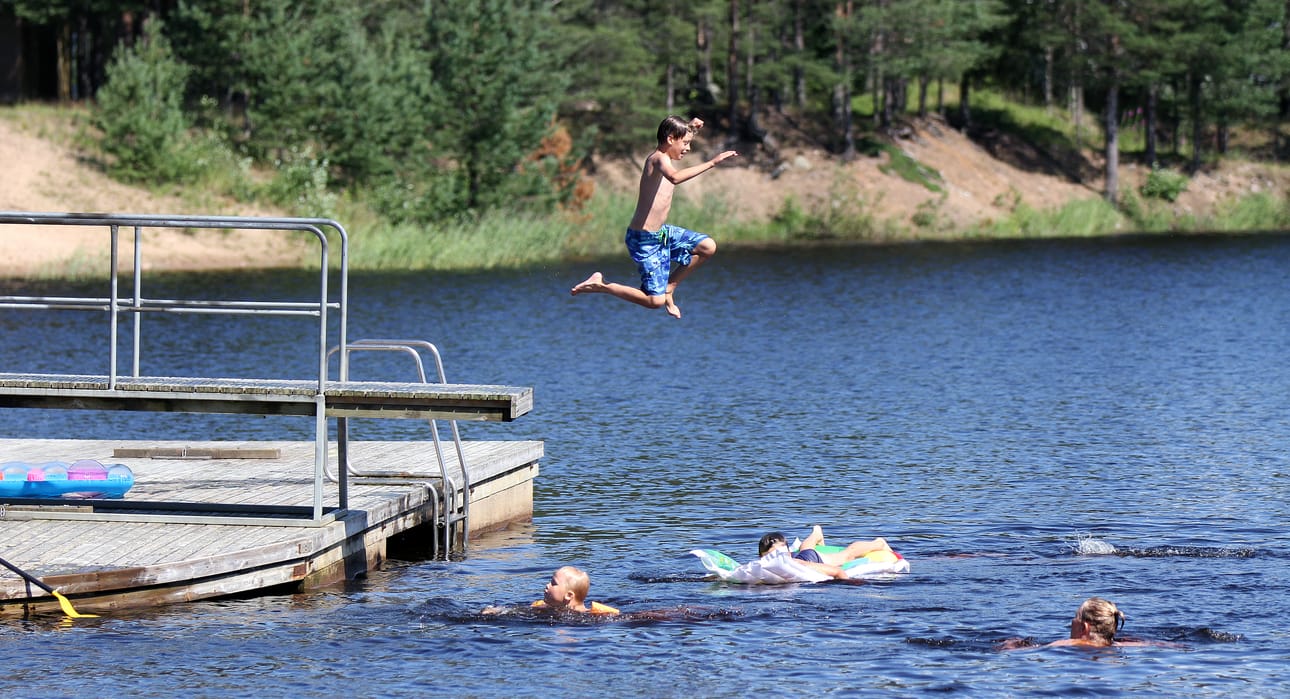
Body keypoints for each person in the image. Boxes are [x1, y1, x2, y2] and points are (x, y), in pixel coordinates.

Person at [571, 115, 738, 319]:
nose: (688, 148)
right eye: (685, 143)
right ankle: (603, 285)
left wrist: (690, 128)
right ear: (670, 139)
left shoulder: (667, 152)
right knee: (654, 302)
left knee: (707, 246)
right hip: (643, 240)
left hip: (662, 234)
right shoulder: (658, 159)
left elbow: (678, 136)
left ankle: (670, 286)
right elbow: (675, 178)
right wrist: (712, 162)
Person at [1000, 597, 1157, 649]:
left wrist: (1011, 644)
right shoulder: (1124, 645)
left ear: (1084, 627)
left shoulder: (1068, 644)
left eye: (1075, 617)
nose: (1072, 622)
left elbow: (1024, 651)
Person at [757, 526, 893, 580]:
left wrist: (850, 585)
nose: (777, 558)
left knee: (847, 555)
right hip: (802, 554)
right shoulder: (758, 568)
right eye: (771, 556)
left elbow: (837, 571)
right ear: (761, 558)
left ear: (788, 552)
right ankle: (816, 533)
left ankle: (879, 542)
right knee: (805, 548)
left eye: (781, 553)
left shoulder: (801, 564)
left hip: (812, 559)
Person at [483, 566, 619, 616]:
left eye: (553, 583)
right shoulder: (542, 607)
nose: (547, 585)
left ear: (568, 595)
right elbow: (516, 610)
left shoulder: (591, 615)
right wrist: (497, 611)